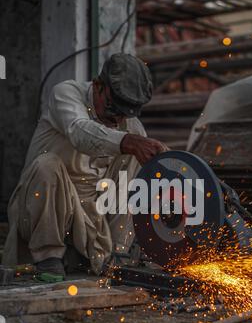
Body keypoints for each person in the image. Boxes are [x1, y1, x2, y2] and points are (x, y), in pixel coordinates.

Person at [3, 53, 168, 278]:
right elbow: (80, 132)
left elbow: (148, 173)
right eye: (112, 109)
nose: (116, 120)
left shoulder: (130, 126)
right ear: (98, 85)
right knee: (47, 164)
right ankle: (49, 258)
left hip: (90, 220)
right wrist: (126, 142)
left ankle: (117, 256)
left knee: (137, 158)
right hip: (42, 212)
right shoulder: (67, 94)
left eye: (123, 114)